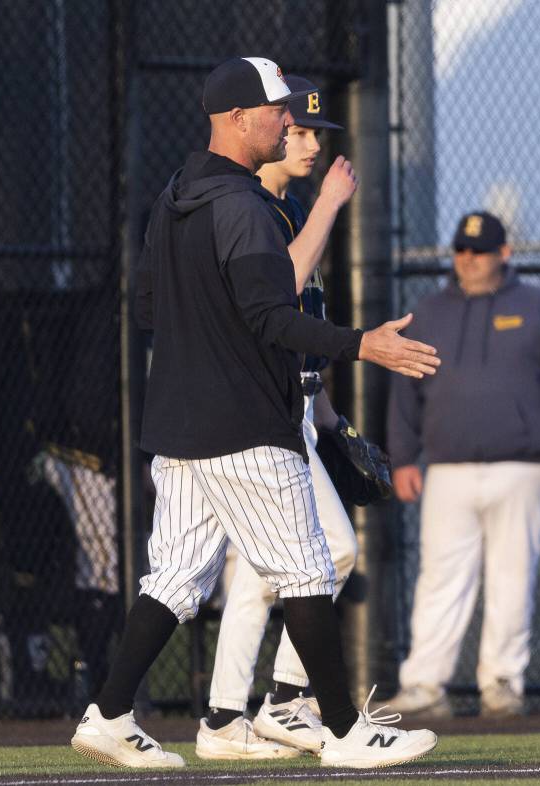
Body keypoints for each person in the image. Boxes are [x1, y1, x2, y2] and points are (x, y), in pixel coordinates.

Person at [70, 56, 440, 770]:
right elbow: (274, 317)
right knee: (305, 569)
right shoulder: (241, 205)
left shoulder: (176, 194)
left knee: (175, 576)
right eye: (277, 110)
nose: (286, 120)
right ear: (240, 119)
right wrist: (365, 345)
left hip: (178, 428)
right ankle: (340, 731)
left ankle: (109, 714)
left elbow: (149, 307)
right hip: (242, 424)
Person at [195, 75, 363, 760]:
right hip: (247, 415)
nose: (312, 143)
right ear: (264, 131)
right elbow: (281, 290)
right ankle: (282, 702)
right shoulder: (257, 208)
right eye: (298, 129)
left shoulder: (284, 207)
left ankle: (227, 716)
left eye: (318, 133)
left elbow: (300, 320)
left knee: (261, 573)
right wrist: (327, 207)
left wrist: (325, 410)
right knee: (326, 553)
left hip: (285, 410)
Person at [385, 211, 540, 718]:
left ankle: (501, 683)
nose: (468, 260)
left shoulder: (537, 308)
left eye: (479, 250)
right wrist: (404, 457)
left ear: (504, 253)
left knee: (512, 577)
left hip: (523, 466)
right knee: (440, 578)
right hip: (447, 468)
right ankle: (425, 686)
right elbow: (405, 389)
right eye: (461, 250)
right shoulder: (428, 312)